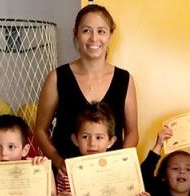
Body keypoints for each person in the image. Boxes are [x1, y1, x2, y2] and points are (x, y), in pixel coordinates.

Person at [35, 2, 138, 174]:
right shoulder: (56, 78)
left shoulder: (124, 79)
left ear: (110, 35)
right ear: (75, 34)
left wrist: (118, 163)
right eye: (86, 31)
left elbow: (132, 133)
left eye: (101, 31)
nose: (94, 39)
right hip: (67, 178)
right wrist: (59, 161)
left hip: (111, 176)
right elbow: (40, 130)